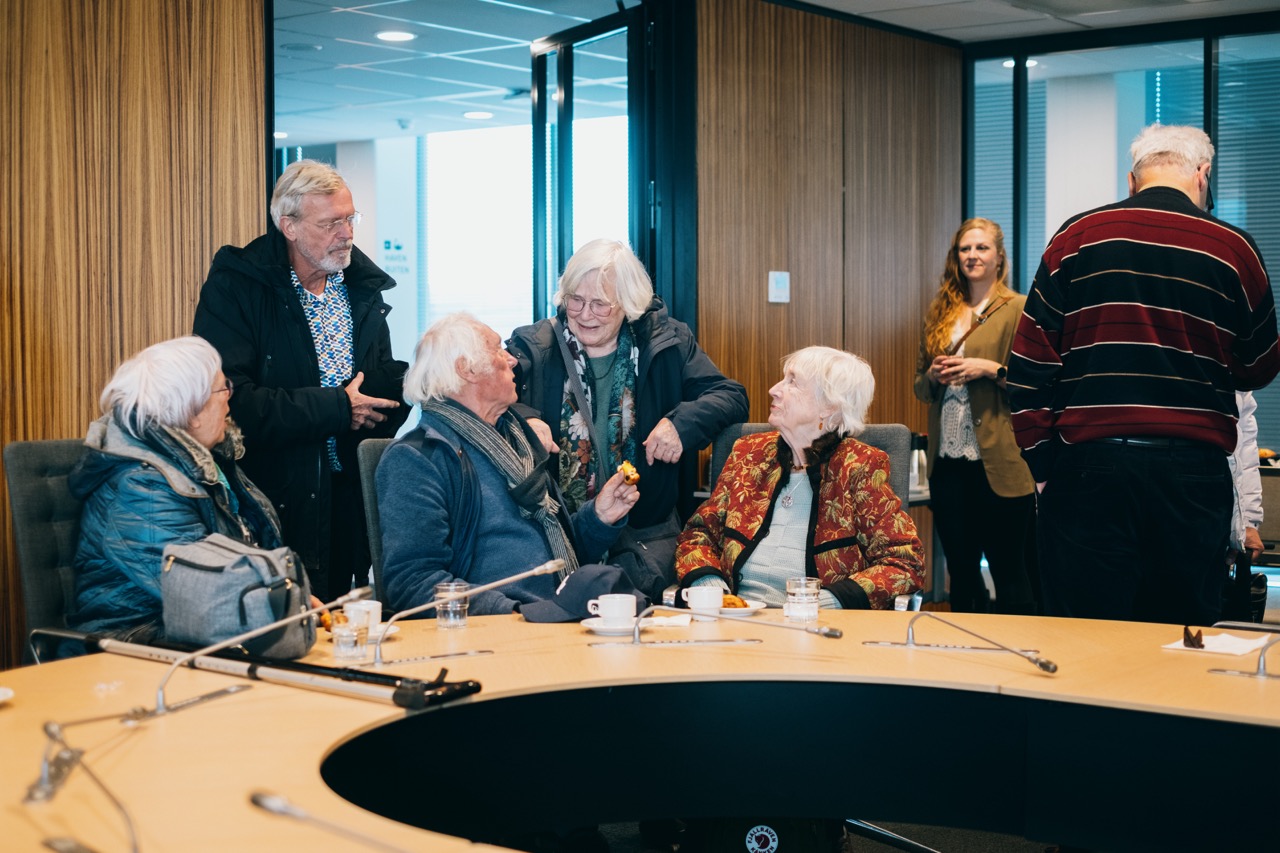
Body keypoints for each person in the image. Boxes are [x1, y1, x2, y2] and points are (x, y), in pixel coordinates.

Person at [1008, 123, 1280, 626]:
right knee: (1181, 639)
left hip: (1087, 469)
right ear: (1202, 175)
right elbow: (1260, 365)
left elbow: (1026, 370)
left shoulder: (1076, 238)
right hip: (1192, 474)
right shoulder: (1233, 248)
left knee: (1083, 641)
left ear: (1132, 180)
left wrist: (1045, 469)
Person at [194, 159, 409, 601]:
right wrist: (338, 409)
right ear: (288, 226)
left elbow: (376, 377)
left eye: (350, 218)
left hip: (348, 494)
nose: (347, 233)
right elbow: (233, 400)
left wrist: (402, 393)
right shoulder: (239, 286)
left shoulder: (360, 287)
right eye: (331, 222)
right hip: (275, 495)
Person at [507, 238, 749, 599]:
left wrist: (680, 424)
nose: (585, 314)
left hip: (644, 536)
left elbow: (730, 396)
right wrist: (524, 416)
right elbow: (479, 391)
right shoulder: (534, 345)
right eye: (575, 299)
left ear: (628, 304)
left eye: (600, 304)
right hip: (559, 535)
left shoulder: (666, 342)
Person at [377, 313, 640, 615]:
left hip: (557, 614)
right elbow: (413, 584)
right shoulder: (419, 459)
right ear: (467, 369)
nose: (512, 360)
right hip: (498, 635)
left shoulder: (517, 441)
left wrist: (599, 518)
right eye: (498, 349)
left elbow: (557, 555)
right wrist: (514, 613)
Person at [67, 337, 284, 643]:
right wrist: (286, 602)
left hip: (197, 636)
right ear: (191, 411)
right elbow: (202, 589)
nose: (229, 399)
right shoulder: (140, 487)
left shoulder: (209, 461)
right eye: (224, 389)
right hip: (134, 648)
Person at [675, 346, 924, 609]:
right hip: (737, 618)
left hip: (817, 628)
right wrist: (712, 588)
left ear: (828, 406)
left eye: (792, 382)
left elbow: (904, 563)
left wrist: (826, 602)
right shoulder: (748, 454)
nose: (774, 389)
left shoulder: (858, 466)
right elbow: (698, 535)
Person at [913, 219, 1037, 615]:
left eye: (982, 248)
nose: (972, 256)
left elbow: (1034, 380)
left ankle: (1019, 655)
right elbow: (919, 386)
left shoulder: (1018, 308)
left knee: (1009, 572)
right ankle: (965, 659)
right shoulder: (941, 312)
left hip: (999, 461)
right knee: (962, 574)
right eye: (965, 249)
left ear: (1000, 256)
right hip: (948, 463)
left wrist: (987, 368)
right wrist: (932, 375)